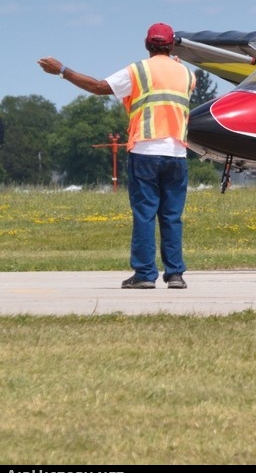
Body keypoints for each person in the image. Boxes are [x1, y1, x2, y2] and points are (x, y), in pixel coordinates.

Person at [37, 23, 196, 290]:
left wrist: (63, 71)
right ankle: (175, 274)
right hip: (177, 153)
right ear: (171, 46)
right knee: (171, 216)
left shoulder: (138, 70)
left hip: (145, 150)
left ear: (147, 45)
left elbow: (99, 87)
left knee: (145, 215)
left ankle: (145, 274)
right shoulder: (187, 74)